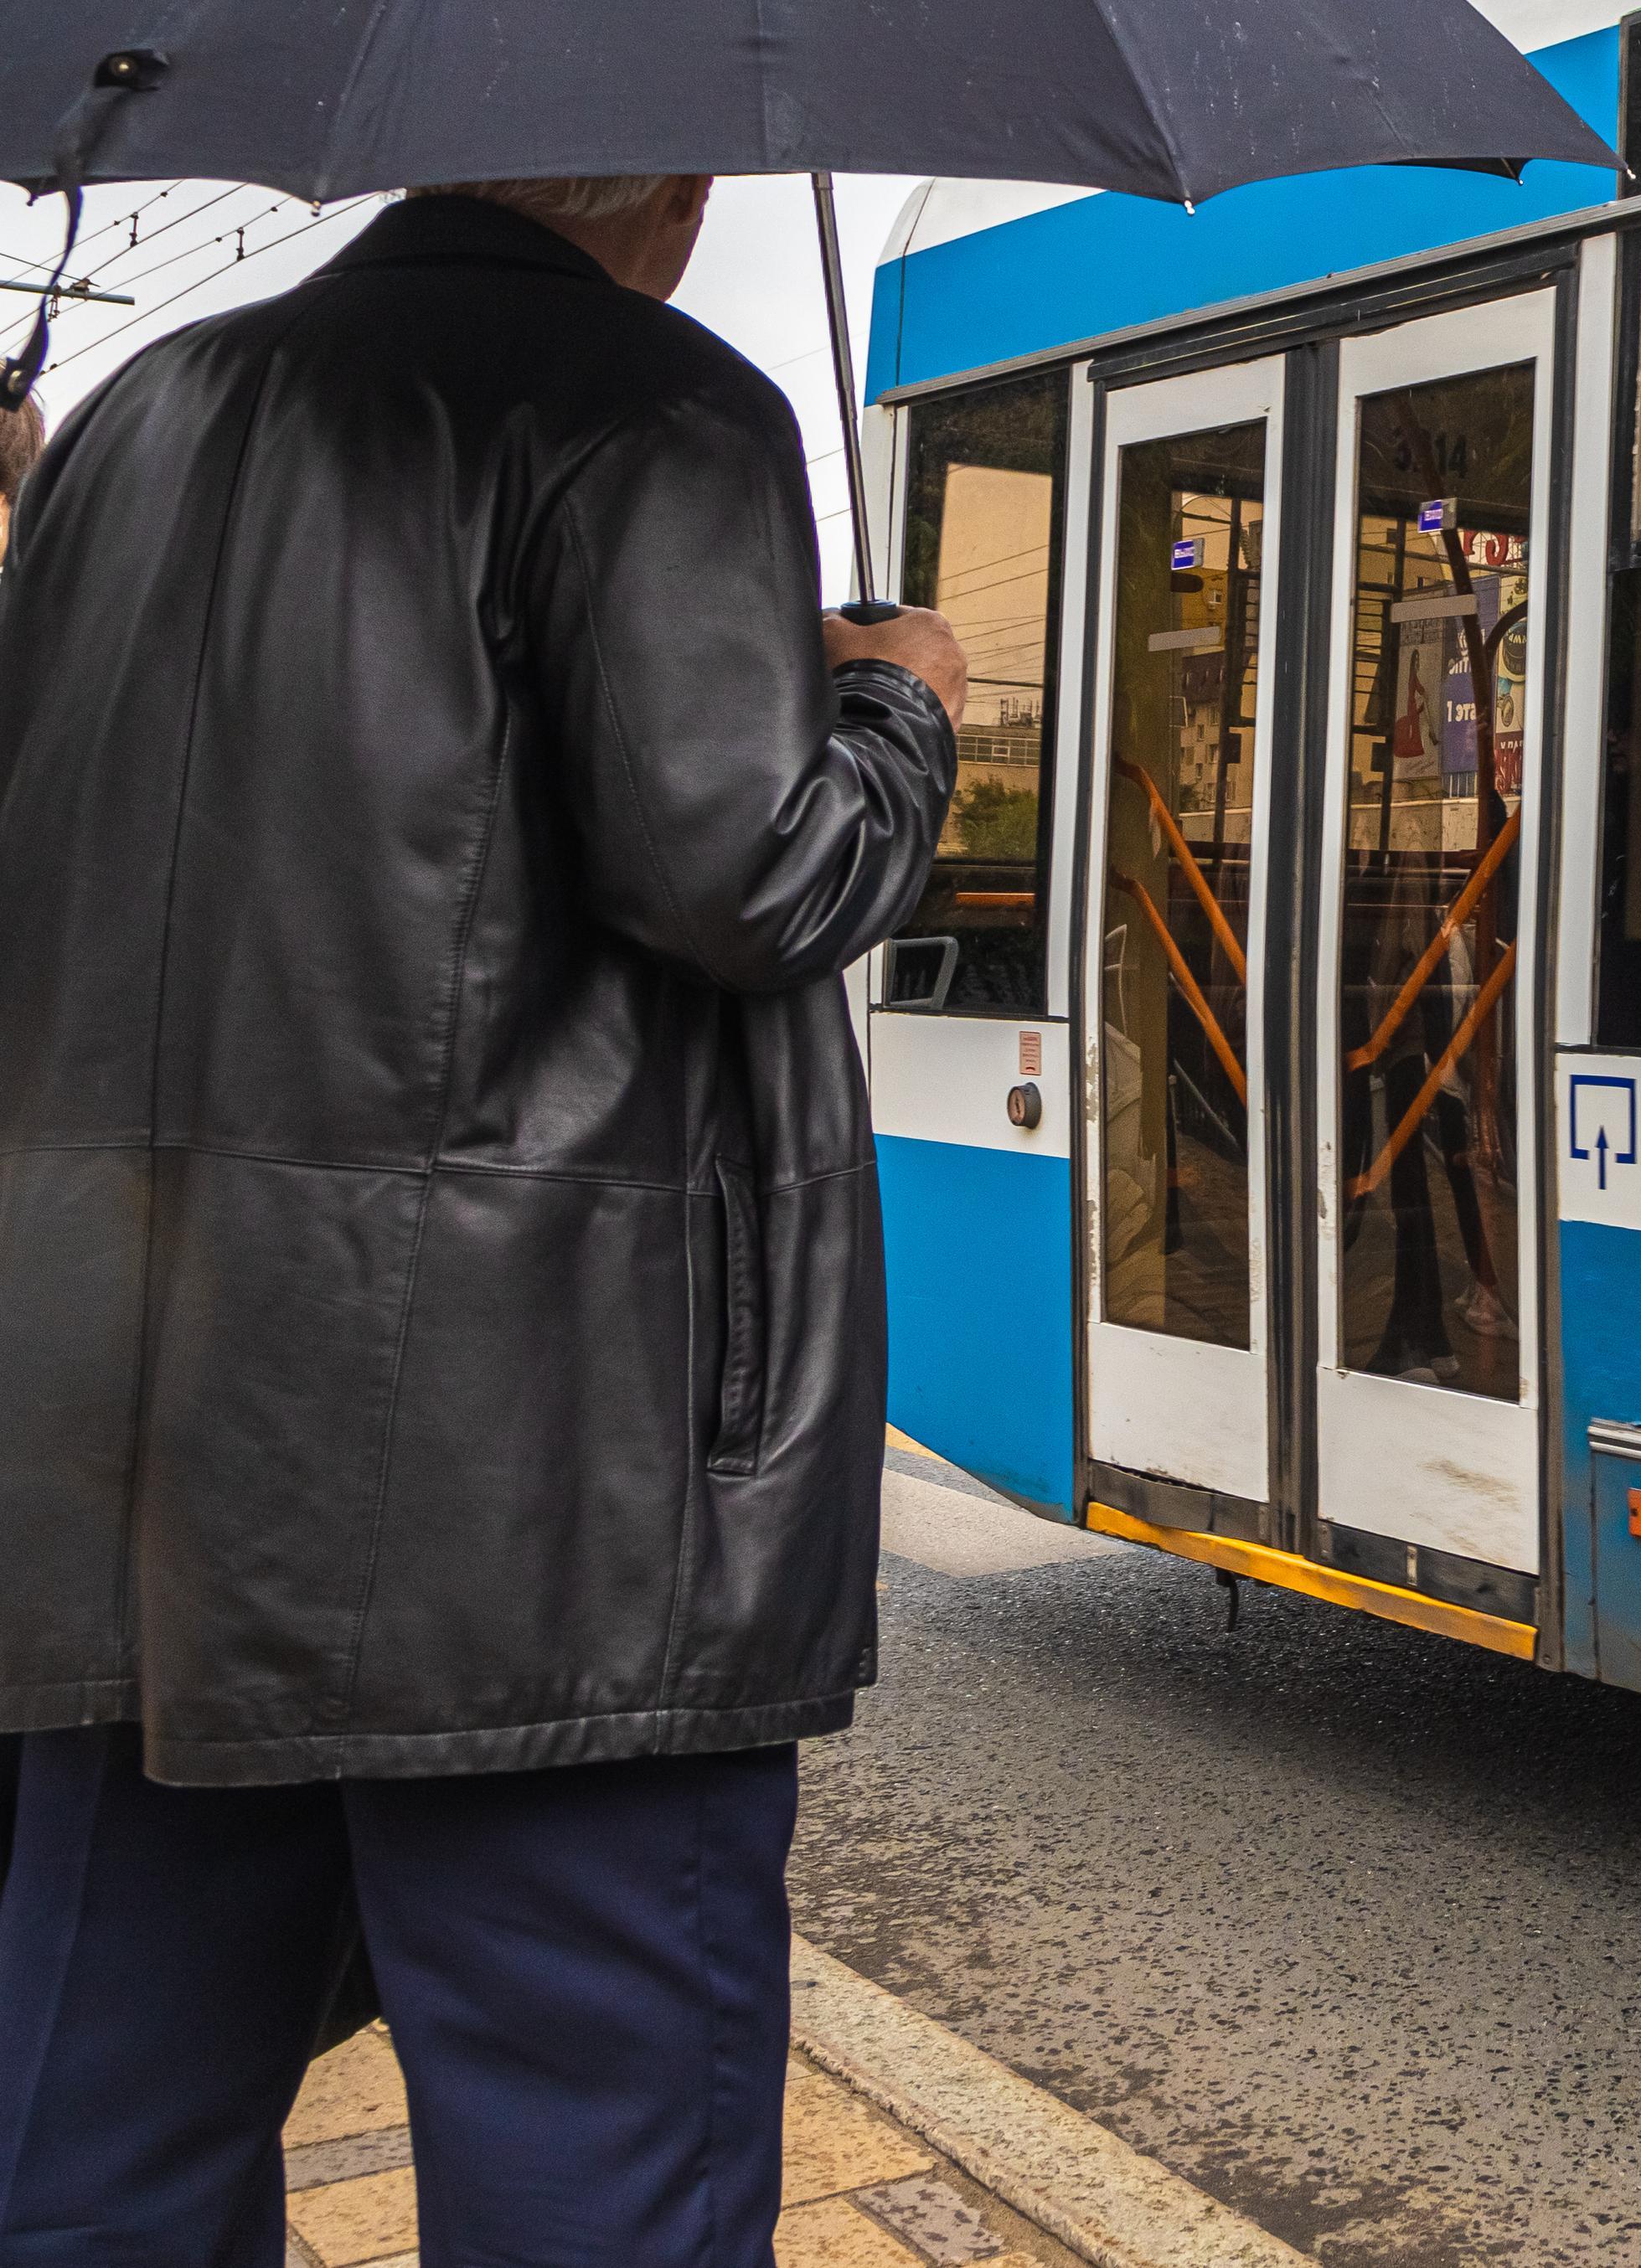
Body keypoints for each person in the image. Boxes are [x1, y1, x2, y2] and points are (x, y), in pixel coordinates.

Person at [0, 174, 966, 2266]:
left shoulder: (140, 420)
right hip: (546, 1504)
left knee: (98, 2135)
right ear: (670, 183)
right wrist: (899, 705)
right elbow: (756, 877)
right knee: (593, 2148)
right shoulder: (660, 411)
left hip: (132, 1467)